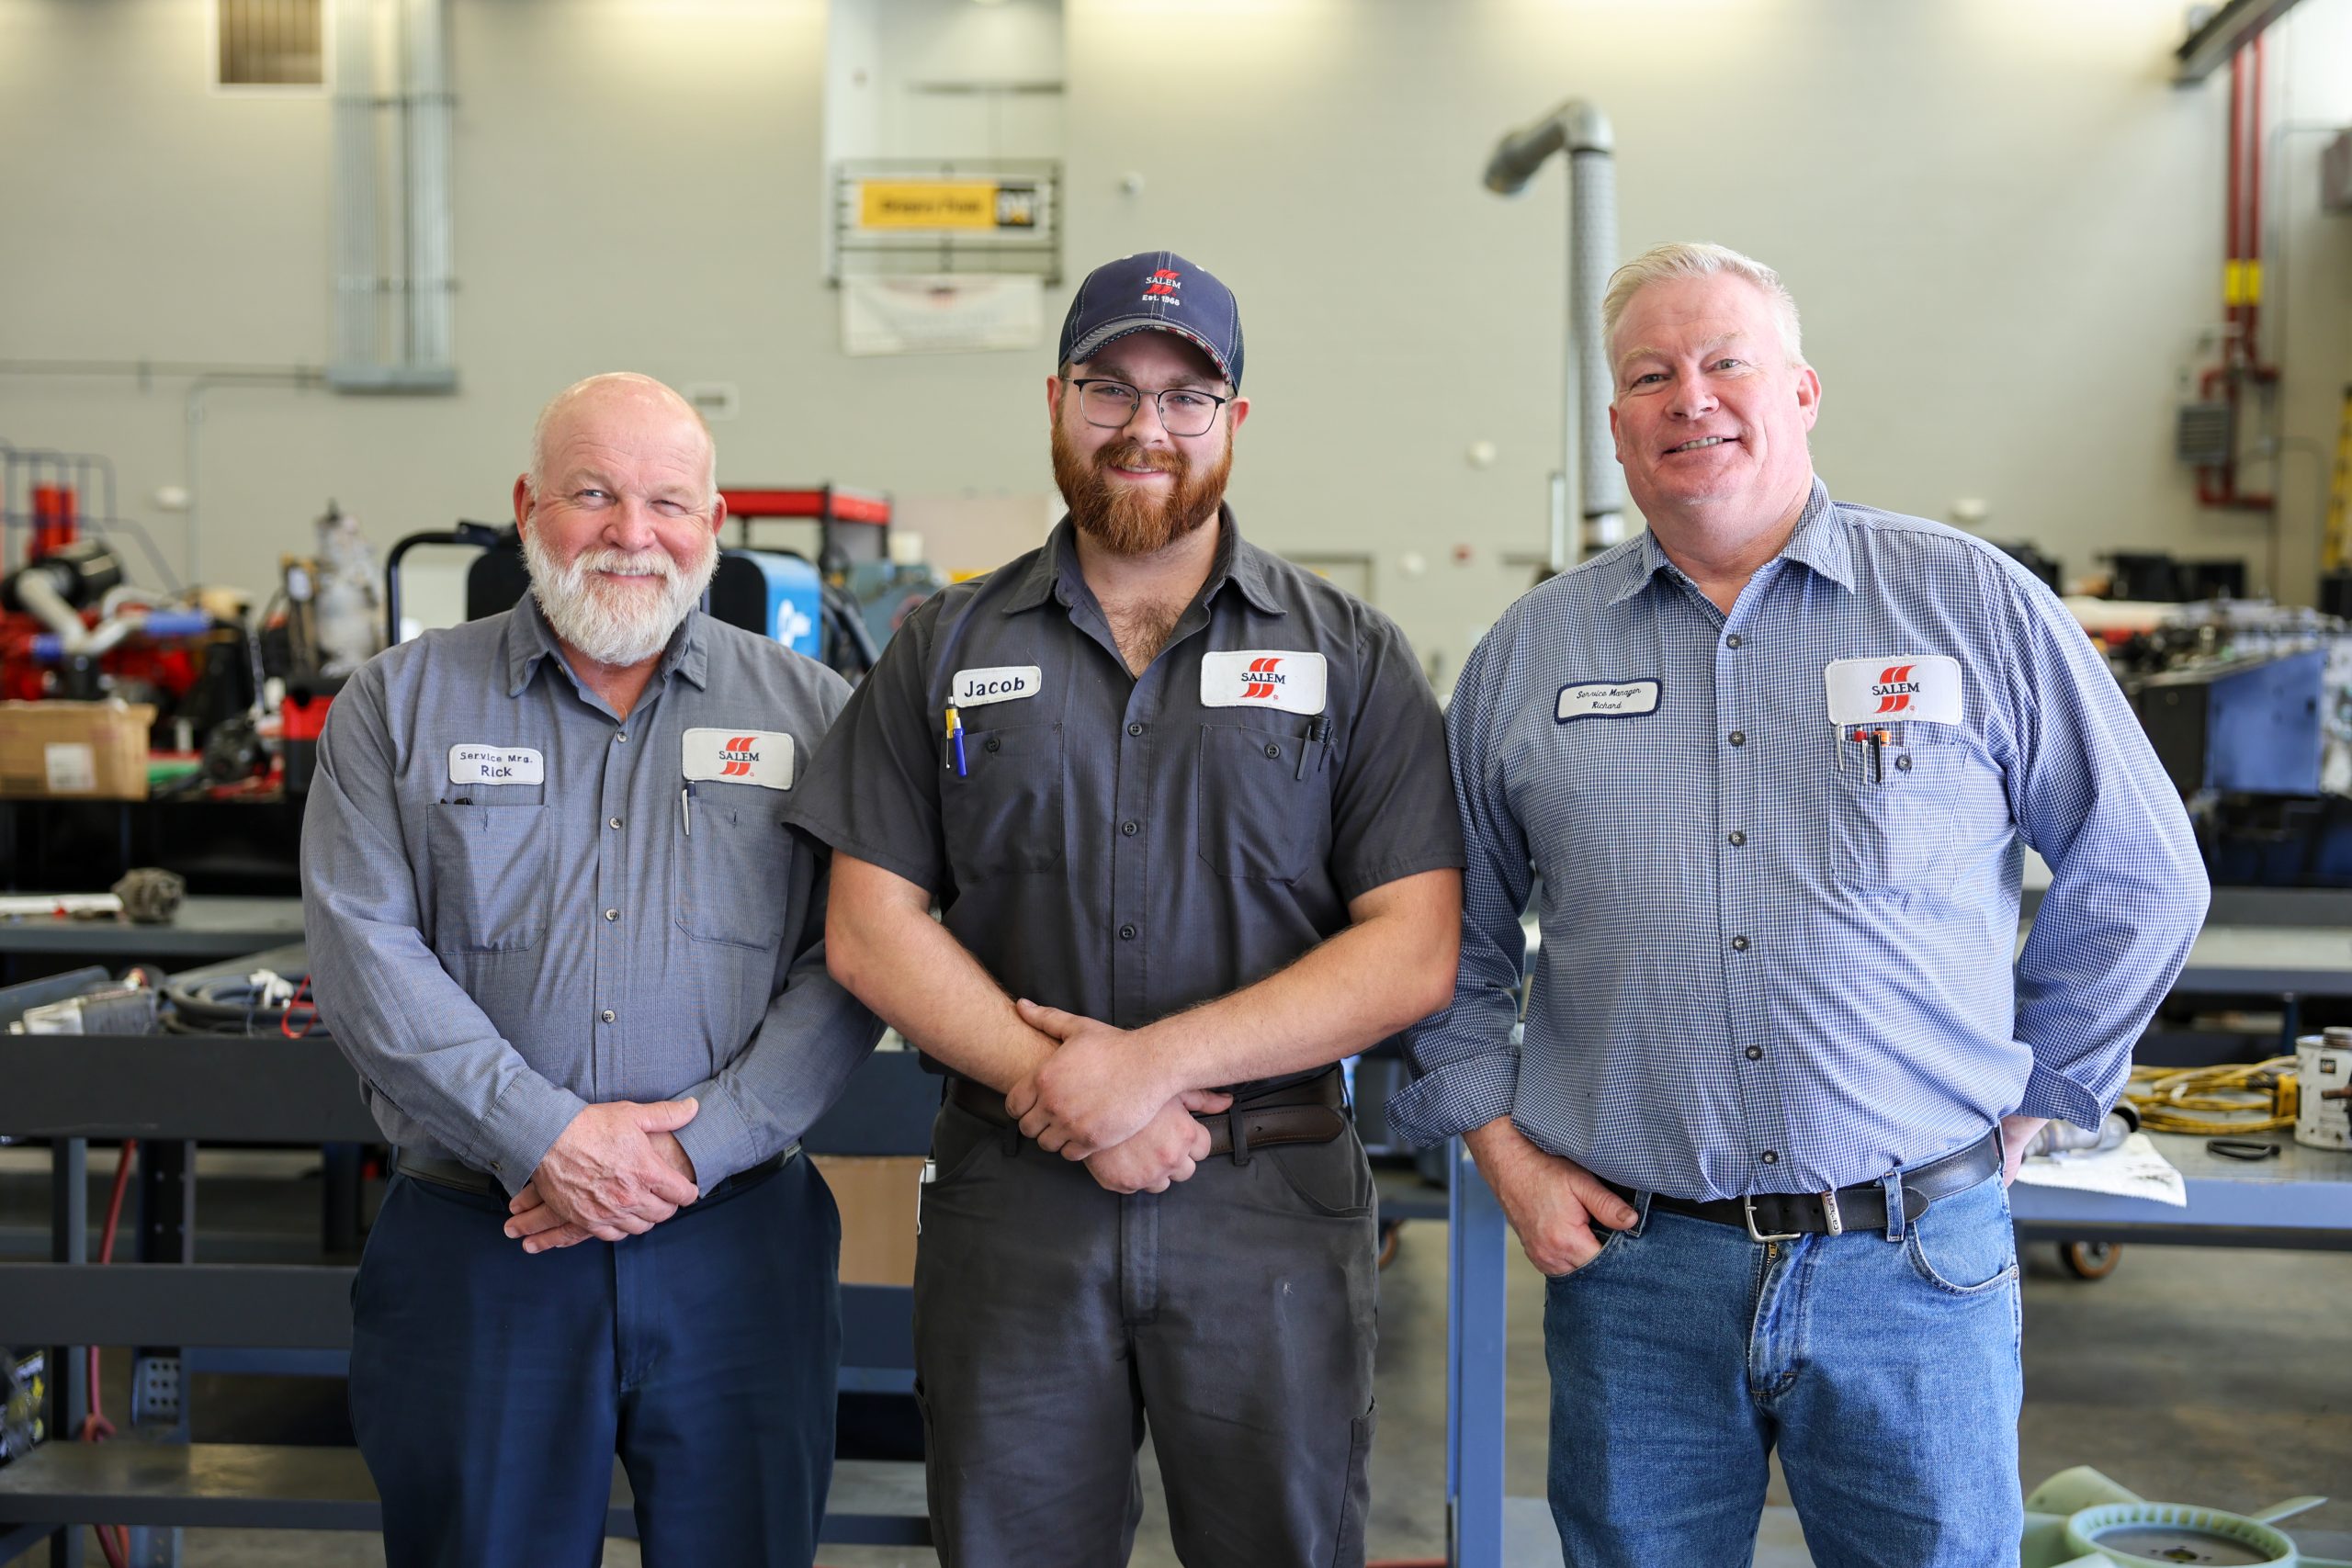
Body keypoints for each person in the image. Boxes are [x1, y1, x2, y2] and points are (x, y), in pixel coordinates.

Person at [1391, 242, 2208, 1568]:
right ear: (1617, 426)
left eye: (1726, 363)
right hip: (1637, 1275)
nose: (1689, 398)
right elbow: (1446, 945)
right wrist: (1504, 1155)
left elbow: (2142, 870)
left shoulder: (1969, 606)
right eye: (1651, 375)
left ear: (1805, 390)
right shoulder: (1530, 655)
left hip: (1915, 1266)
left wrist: (2042, 1084)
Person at [785, 251, 1464, 1566]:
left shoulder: (1351, 657)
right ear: (1055, 400)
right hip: (1013, 1200)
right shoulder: (944, 648)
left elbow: (1414, 950)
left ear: (1234, 421)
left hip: (1266, 1204)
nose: (1146, 428)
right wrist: (1061, 1089)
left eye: (1186, 395)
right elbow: (870, 925)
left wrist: (1147, 1072)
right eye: (1110, 388)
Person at [301, 372, 882, 1567]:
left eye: (669, 501)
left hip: (737, 1249)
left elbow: (855, 961)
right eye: (593, 494)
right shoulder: (396, 706)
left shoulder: (818, 716)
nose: (632, 533)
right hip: (484, 1247)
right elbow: (364, 950)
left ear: (714, 526)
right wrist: (551, 1140)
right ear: (526, 506)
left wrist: (684, 1151)